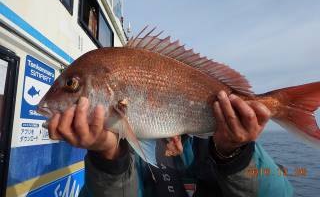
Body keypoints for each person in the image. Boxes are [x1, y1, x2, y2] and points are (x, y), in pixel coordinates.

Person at [47, 91, 293, 197]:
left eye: (72, 85)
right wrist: (108, 154)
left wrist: (235, 154)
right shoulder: (131, 146)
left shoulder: (226, 137)